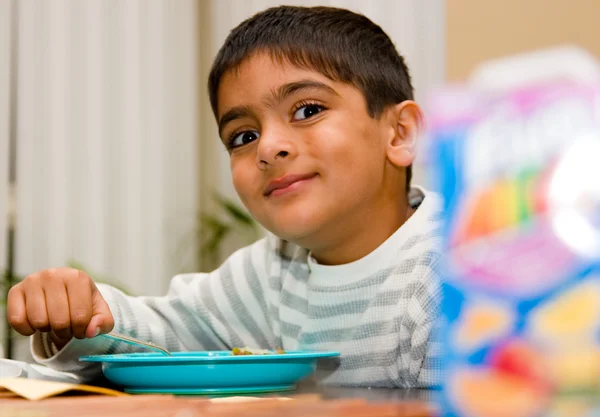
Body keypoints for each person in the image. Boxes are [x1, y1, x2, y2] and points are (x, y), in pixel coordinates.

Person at [7, 5, 443, 388]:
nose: (269, 147)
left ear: (399, 133)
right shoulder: (270, 271)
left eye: (307, 110)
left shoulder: (456, 271)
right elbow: (162, 335)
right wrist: (85, 313)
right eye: (243, 136)